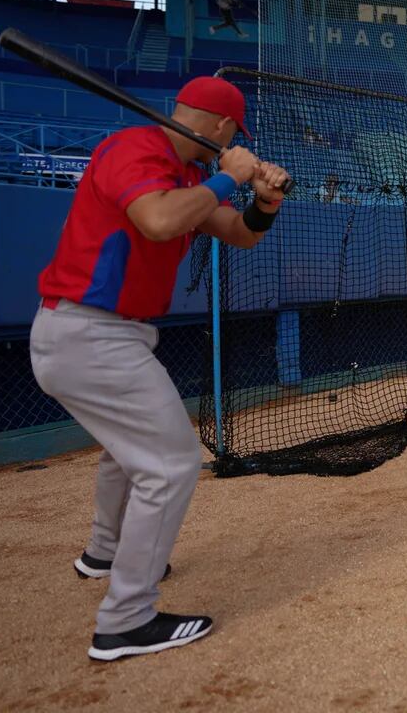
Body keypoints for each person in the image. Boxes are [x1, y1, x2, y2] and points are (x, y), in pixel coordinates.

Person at [29, 77, 289, 660]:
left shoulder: (191, 176)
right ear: (221, 128)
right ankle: (126, 619)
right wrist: (232, 175)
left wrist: (264, 201)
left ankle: (103, 551)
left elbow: (237, 234)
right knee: (170, 463)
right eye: (231, 137)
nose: (231, 145)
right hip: (89, 333)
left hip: (104, 336)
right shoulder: (135, 150)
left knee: (128, 451)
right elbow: (157, 220)